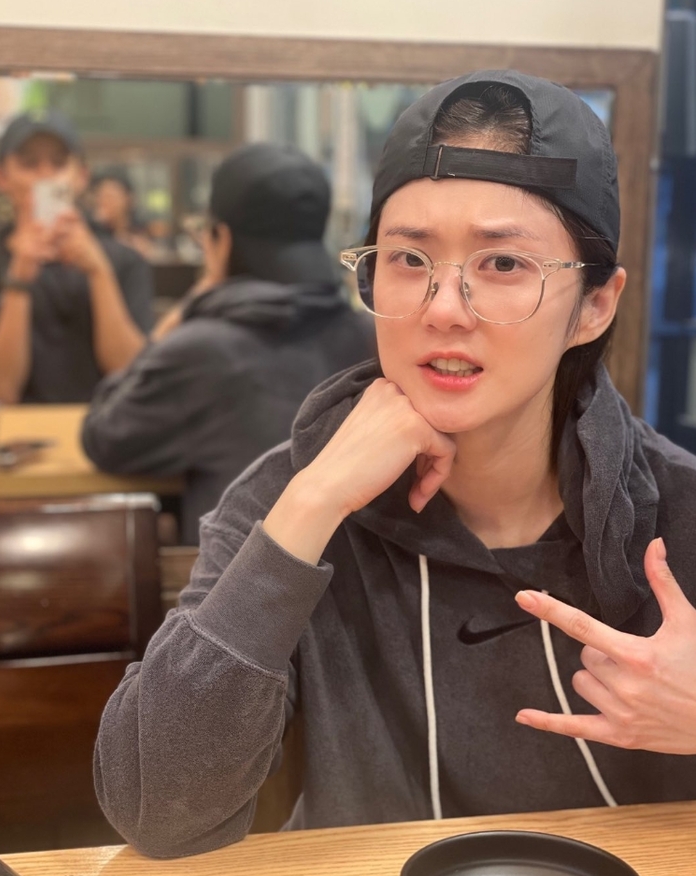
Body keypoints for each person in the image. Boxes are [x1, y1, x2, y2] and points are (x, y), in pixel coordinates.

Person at [93, 70, 696, 859]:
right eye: (409, 258)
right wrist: (311, 504)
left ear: (595, 306)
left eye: (503, 265)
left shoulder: (679, 508)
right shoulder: (290, 498)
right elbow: (155, 812)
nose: (442, 309)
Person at [82, 142, 376, 545]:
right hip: (365, 583)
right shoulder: (370, 336)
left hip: (240, 581)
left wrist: (184, 312)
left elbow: (103, 437)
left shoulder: (200, 350)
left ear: (220, 238)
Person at [0, 109, 153, 403]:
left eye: (58, 163)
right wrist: (19, 277)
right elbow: (2, 389)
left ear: (81, 176)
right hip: (17, 430)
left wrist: (99, 272)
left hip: (105, 427)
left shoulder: (125, 260)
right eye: (29, 164)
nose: (45, 175)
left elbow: (130, 375)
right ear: (1, 177)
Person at [89, 166, 156, 261]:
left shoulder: (139, 231)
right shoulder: (92, 231)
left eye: (111, 196)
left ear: (128, 198)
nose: (105, 202)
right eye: (101, 196)